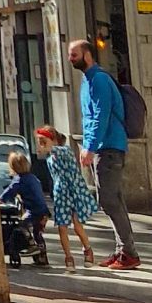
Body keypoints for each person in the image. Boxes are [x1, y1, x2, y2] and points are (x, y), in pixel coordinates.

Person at [69, 38, 140, 269]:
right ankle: (123, 251)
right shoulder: (88, 80)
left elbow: (100, 116)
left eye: (74, 54)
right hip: (104, 147)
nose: (71, 59)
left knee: (109, 200)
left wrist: (89, 146)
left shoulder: (98, 80)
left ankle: (128, 252)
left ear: (87, 55)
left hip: (108, 147)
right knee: (113, 199)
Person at [36, 125, 95, 270]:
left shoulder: (64, 150)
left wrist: (48, 147)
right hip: (61, 194)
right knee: (62, 227)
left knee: (77, 224)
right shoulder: (49, 157)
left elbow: (60, 152)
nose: (41, 146)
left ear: (53, 140)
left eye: (44, 141)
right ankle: (68, 257)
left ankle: (87, 249)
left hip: (73, 191)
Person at [0, 150, 50, 266]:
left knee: (22, 225)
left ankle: (32, 245)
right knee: (38, 232)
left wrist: (0, 199)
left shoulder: (19, 180)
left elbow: (8, 192)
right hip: (44, 211)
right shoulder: (33, 178)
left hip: (33, 211)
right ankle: (42, 258)